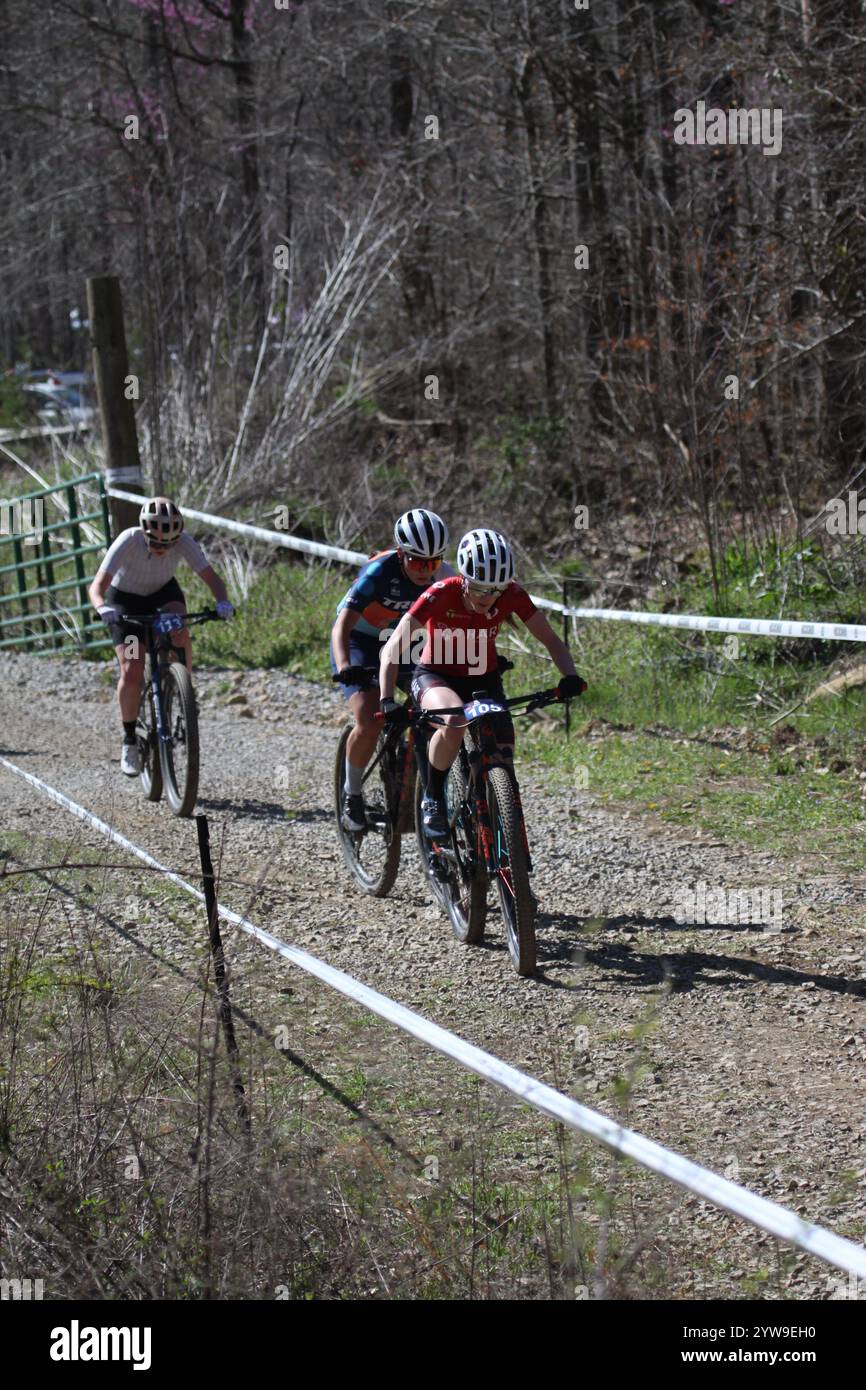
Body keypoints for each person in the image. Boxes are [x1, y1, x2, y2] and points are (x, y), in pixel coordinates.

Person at [378, 527, 586, 838]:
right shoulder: (440, 593)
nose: (486, 598)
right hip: (436, 675)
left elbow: (551, 640)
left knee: (501, 748)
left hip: (483, 678)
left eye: (495, 590)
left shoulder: (513, 594)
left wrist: (570, 676)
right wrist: (386, 699)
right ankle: (433, 797)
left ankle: (493, 809)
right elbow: (393, 646)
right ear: (463, 579)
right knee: (453, 719)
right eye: (477, 589)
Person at [88, 497, 234, 777]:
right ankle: (130, 739)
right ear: (144, 532)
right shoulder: (128, 540)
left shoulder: (184, 542)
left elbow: (212, 578)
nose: (162, 549)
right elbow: (97, 586)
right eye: (156, 543)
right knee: (132, 670)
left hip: (162, 595)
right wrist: (101, 607)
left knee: (179, 627)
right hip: (125, 605)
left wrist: (222, 601)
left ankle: (184, 689)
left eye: (168, 544)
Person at [331, 507, 452, 831]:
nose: (426, 571)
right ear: (401, 554)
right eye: (417, 562)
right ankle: (351, 793)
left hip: (401, 643)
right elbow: (342, 626)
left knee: (432, 711)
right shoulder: (379, 572)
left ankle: (431, 796)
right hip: (361, 643)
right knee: (369, 719)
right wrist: (345, 667)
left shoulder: (445, 575)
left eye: (434, 562)